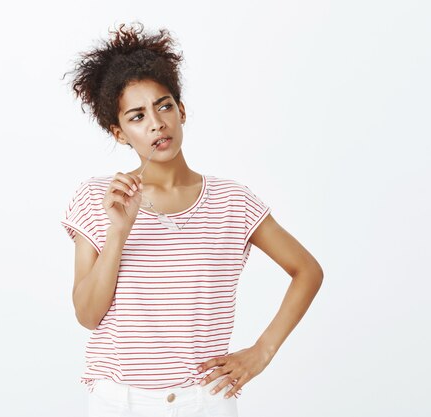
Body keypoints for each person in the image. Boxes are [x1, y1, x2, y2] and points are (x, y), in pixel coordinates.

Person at [60, 21, 324, 417]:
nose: (156, 123)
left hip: (205, 402)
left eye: (164, 105)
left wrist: (262, 351)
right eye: (137, 116)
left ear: (181, 110)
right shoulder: (100, 198)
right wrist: (119, 231)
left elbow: (307, 270)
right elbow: (87, 315)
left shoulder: (232, 202)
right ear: (119, 133)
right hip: (119, 402)